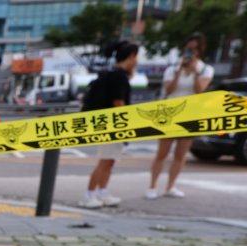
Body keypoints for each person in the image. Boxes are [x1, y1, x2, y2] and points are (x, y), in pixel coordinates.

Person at [147, 33, 214, 199]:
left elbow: (200, 91)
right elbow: (168, 90)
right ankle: (152, 186)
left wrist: (194, 72)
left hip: (190, 114)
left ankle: (170, 186)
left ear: (200, 50)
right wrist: (180, 71)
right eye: (189, 48)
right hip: (170, 114)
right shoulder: (172, 68)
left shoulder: (205, 69)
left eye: (195, 49)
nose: (191, 51)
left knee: (180, 154)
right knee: (161, 153)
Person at [78, 40, 140, 209]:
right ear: (132, 56)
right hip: (112, 125)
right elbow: (119, 103)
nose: (138, 60)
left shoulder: (113, 74)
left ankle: (101, 192)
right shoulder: (119, 77)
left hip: (108, 124)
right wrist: (125, 126)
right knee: (105, 160)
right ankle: (89, 194)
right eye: (137, 56)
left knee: (109, 160)